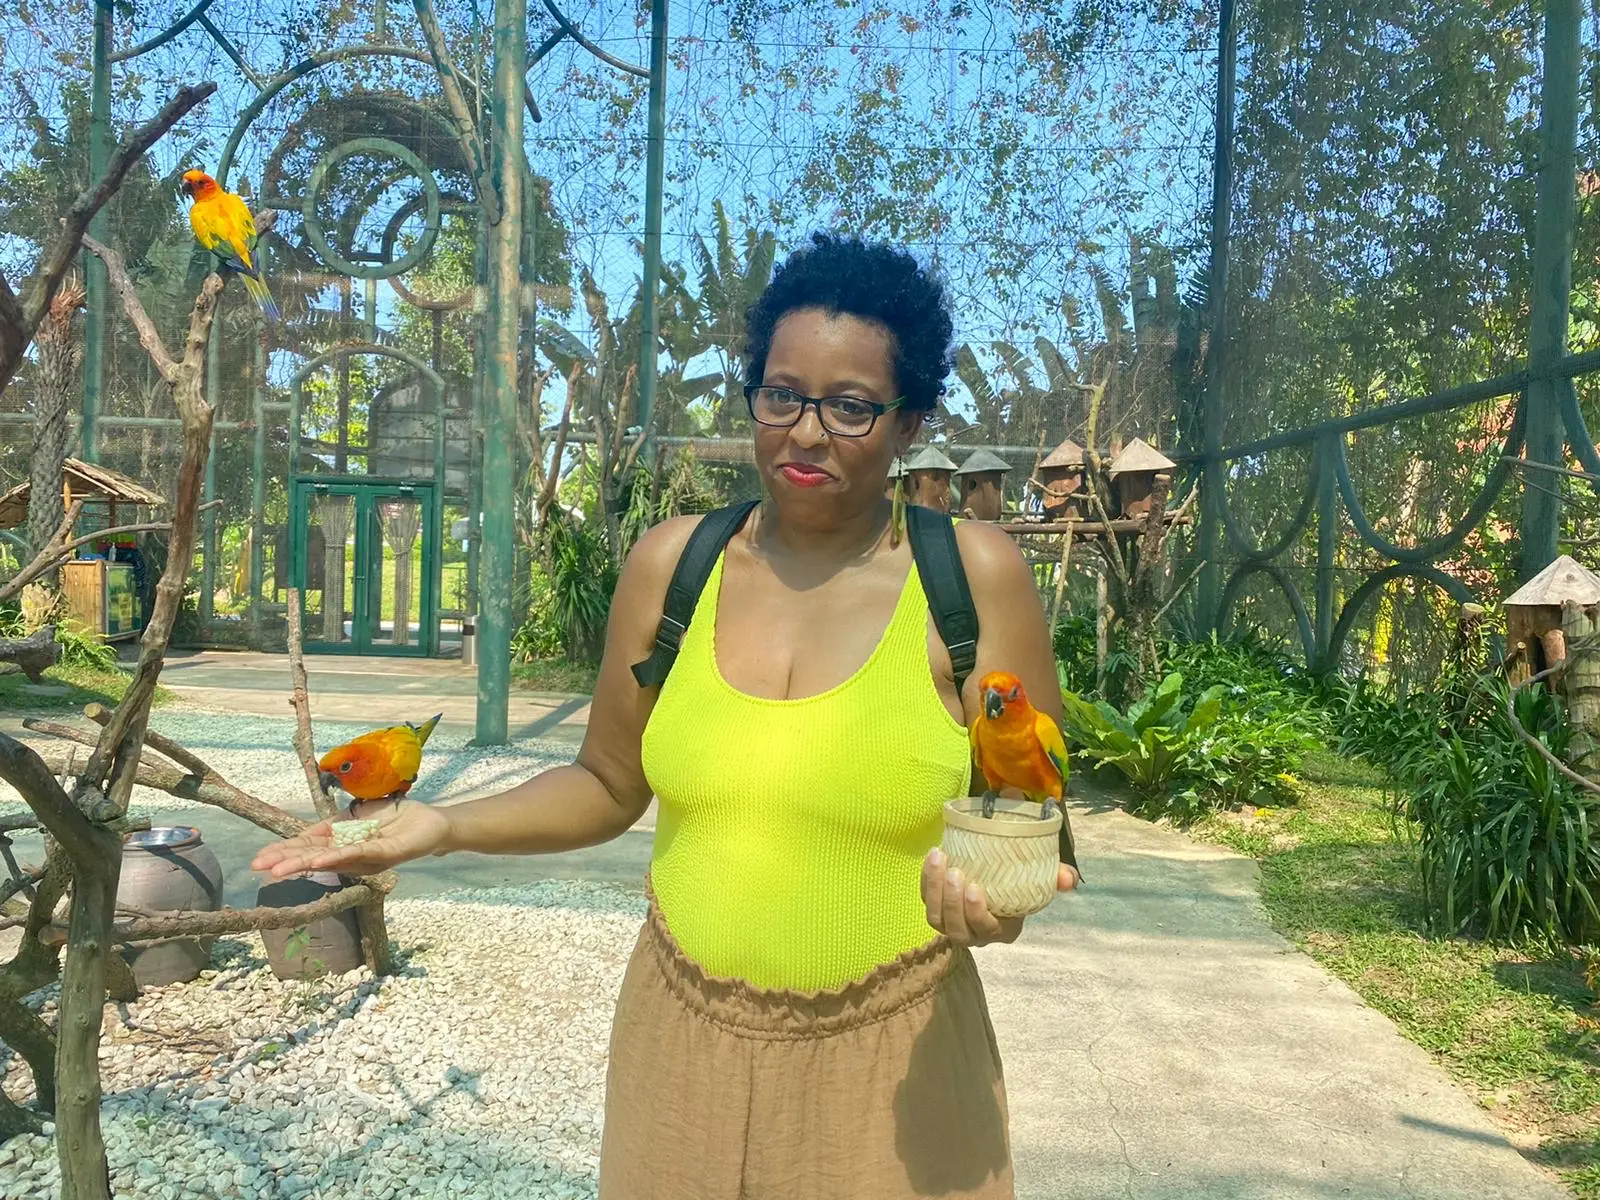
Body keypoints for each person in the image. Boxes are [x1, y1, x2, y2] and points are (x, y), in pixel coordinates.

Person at [251, 232, 1079, 1199]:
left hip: (896, 1077)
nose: (807, 433)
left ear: (910, 425)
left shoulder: (972, 579)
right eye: (782, 395)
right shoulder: (672, 566)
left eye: (851, 406)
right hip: (681, 1056)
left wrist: (996, 914)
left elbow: (1032, 823)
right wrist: (440, 826)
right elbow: (608, 782)